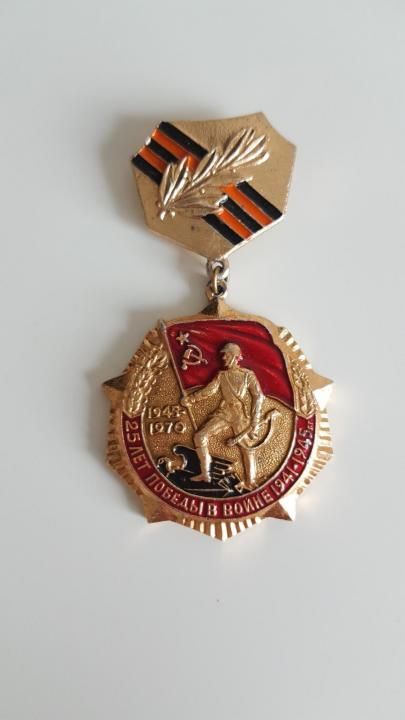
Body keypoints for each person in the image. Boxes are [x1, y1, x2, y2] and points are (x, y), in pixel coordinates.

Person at [181, 342, 264, 483]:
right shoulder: (222, 375)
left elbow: (258, 396)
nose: (224, 358)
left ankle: (250, 481)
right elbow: (210, 390)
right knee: (200, 436)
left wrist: (255, 420)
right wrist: (192, 399)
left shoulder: (247, 375)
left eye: (227, 355)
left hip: (240, 415)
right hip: (225, 412)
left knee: (247, 448)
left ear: (235, 356)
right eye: (224, 355)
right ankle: (205, 474)